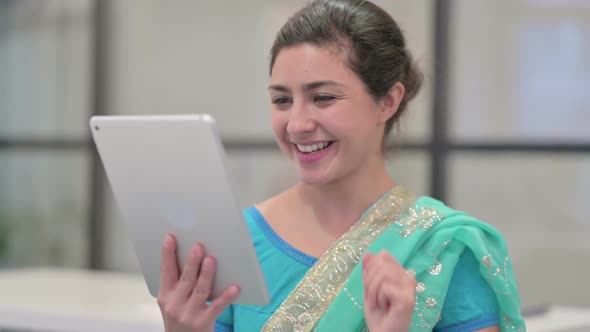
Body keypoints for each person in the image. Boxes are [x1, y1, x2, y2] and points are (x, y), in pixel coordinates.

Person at [156, 0, 525, 331]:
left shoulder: (444, 250)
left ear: (387, 102)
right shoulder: (236, 243)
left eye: (324, 98)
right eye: (282, 100)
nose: (297, 124)